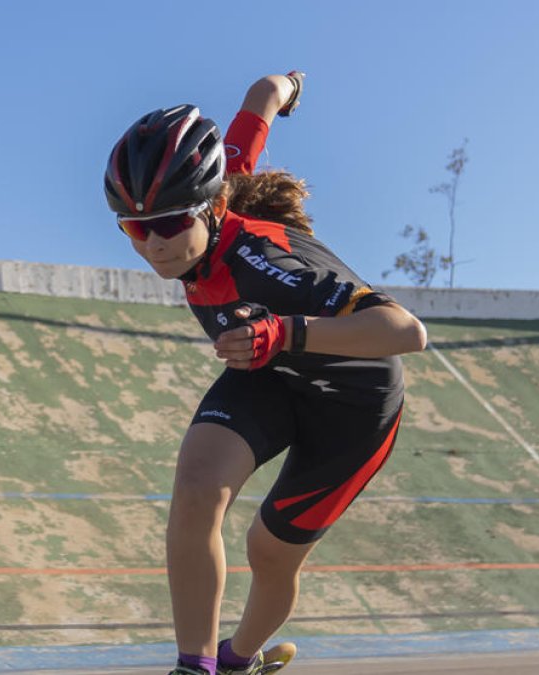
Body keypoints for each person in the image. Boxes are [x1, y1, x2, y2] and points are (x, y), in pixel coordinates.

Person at [103, 73, 427, 675]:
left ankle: (239, 659)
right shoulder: (218, 187)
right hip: (271, 370)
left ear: (212, 207)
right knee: (198, 484)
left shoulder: (274, 263)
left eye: (170, 224)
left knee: (269, 552)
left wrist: (287, 332)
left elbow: (407, 332)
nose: (153, 245)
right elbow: (256, 109)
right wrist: (284, 85)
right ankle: (192, 666)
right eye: (134, 228)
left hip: (352, 404)